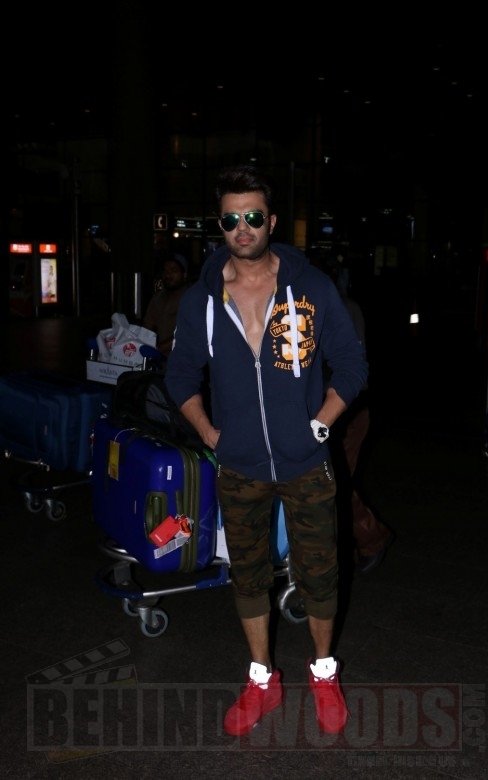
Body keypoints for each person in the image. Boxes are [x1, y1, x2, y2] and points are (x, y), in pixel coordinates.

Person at [165, 164, 368, 737]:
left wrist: (320, 425)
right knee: (248, 576)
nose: (243, 228)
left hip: (306, 463)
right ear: (220, 225)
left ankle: (323, 672)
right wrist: (210, 434)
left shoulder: (311, 288)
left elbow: (352, 365)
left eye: (253, 216)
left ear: (271, 221)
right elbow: (180, 375)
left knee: (320, 573)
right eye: (231, 219)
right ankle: (262, 679)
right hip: (240, 467)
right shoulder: (203, 301)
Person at [340, 295, 395, 574]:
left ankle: (371, 539)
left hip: (345, 410)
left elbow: (354, 369)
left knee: (333, 482)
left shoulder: (341, 306)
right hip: (309, 410)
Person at [142, 252, 189, 357]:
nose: (168, 275)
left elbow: (187, 334)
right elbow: (147, 327)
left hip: (183, 360)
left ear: (184, 274)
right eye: (165, 271)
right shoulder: (158, 298)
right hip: (159, 359)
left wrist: (157, 349)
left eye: (174, 271)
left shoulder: (192, 299)